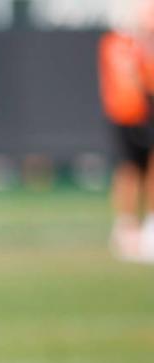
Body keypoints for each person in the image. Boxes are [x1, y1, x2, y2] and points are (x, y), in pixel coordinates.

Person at [98, 5, 154, 262]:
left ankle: (134, 228)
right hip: (132, 114)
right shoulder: (124, 45)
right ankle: (129, 228)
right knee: (131, 170)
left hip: (129, 114)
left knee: (136, 169)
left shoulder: (115, 44)